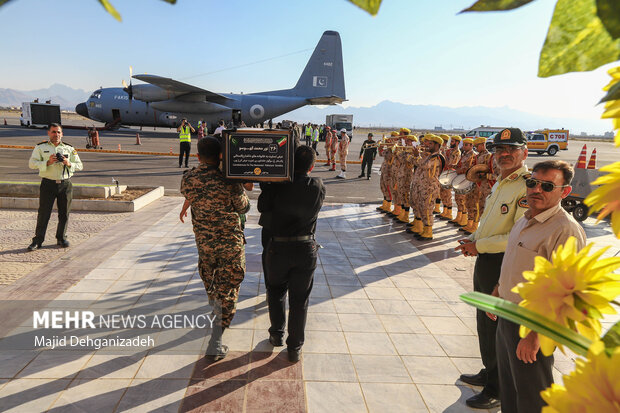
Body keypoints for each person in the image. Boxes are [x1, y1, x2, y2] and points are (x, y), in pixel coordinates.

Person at [494, 160, 585, 413]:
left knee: (533, 395)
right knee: (510, 389)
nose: (537, 190)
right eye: (532, 183)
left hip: (532, 323)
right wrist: (498, 288)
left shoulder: (565, 230)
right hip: (508, 315)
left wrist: (535, 335)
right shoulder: (525, 219)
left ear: (564, 191)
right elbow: (515, 262)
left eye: (547, 186)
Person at [454, 128, 530, 409]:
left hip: (503, 263)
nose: (504, 155)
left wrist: (480, 246)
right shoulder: (501, 182)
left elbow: (517, 235)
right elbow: (488, 222)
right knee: (485, 323)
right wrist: (472, 240)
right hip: (486, 261)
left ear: (523, 152)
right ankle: (490, 371)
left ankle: (498, 389)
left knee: (497, 327)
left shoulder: (525, 185)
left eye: (510, 150)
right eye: (499, 151)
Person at [179, 137, 250, 361]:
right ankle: (216, 340)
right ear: (221, 156)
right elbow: (244, 206)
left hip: (205, 244)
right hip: (230, 244)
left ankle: (215, 304)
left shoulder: (188, 178)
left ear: (198, 156)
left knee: (211, 280)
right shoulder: (228, 179)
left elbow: (189, 195)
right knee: (228, 289)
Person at [258, 146, 326, 362]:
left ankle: (277, 334)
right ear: (312, 167)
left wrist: (268, 183)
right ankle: (294, 347)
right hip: (305, 249)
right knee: (300, 300)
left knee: (276, 291)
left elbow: (262, 207)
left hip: (277, 248)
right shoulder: (317, 186)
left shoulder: (277, 187)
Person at [27, 123, 83, 251]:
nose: (56, 134)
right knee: (43, 213)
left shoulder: (69, 148)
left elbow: (80, 165)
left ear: (62, 134)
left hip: (65, 184)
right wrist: (47, 162)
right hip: (48, 184)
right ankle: (38, 241)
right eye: (53, 132)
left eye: (58, 132)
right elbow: (31, 164)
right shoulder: (41, 147)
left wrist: (68, 163)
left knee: (64, 213)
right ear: (48, 133)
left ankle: (61, 238)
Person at [409, 134, 444, 240]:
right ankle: (422, 228)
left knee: (427, 209)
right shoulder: (428, 155)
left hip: (429, 188)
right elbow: (416, 162)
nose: (427, 145)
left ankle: (428, 232)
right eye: (427, 143)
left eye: (430, 143)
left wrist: (416, 156)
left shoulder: (436, 157)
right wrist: (415, 156)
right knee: (420, 207)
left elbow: (424, 165)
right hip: (422, 187)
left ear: (437, 145)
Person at [450, 138, 477, 227]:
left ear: (471, 146)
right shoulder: (464, 154)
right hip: (460, 179)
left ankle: (464, 220)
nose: (464, 146)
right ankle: (459, 216)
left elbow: (468, 168)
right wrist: (453, 166)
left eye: (466, 145)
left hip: (466, 180)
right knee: (458, 199)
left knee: (464, 200)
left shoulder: (473, 155)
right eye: (464, 144)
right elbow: (459, 165)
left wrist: (458, 170)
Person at [439, 135, 461, 221]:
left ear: (457, 143)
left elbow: (450, 163)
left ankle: (449, 213)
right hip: (445, 173)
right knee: (443, 193)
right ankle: (445, 210)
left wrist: (443, 154)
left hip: (450, 174)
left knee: (447, 194)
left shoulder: (456, 152)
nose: (451, 143)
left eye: (453, 141)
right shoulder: (449, 150)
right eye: (451, 141)